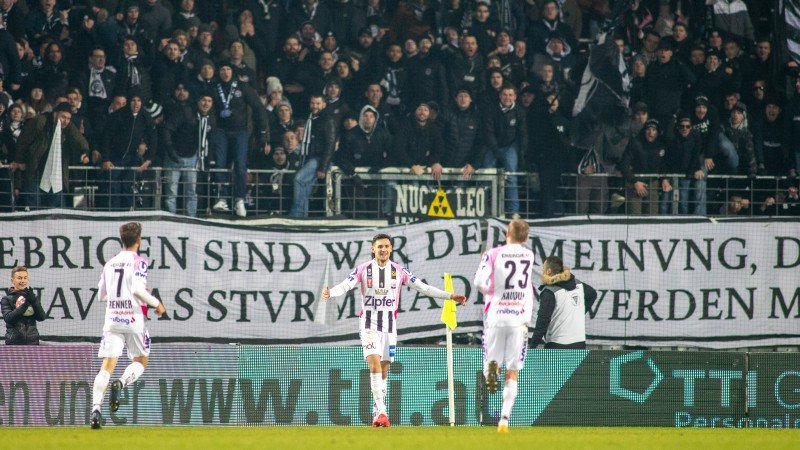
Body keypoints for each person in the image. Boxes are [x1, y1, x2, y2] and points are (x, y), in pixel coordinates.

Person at [322, 233, 466, 427]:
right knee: (373, 364)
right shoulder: (363, 269)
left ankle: (377, 412)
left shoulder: (399, 271)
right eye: (379, 246)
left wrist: (450, 296)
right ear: (373, 249)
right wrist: (331, 292)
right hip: (369, 324)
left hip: (390, 326)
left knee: (384, 368)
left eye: (387, 246)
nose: (383, 250)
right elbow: (346, 285)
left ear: (391, 249)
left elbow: (423, 288)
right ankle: (382, 411)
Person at [90, 222, 166, 429]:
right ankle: (121, 383)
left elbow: (101, 296)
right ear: (139, 240)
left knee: (107, 365)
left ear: (121, 239)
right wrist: (156, 303)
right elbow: (137, 290)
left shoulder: (110, 263)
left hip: (112, 319)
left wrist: (118, 296)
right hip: (133, 319)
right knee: (141, 360)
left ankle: (96, 410)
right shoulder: (139, 262)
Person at [472, 219, 535, 433]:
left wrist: (494, 291)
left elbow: (479, 282)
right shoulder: (529, 255)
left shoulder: (493, 254)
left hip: (496, 314)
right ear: (525, 238)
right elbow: (527, 288)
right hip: (519, 318)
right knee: (513, 370)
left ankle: (491, 368)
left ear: (507, 232)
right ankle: (504, 420)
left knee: (492, 358)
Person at [530, 255, 597, 349]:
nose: (542, 271)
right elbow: (593, 294)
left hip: (557, 345)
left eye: (543, 268)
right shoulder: (578, 284)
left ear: (549, 271)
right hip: (579, 344)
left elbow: (542, 321)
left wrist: (532, 346)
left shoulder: (549, 291)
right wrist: (580, 312)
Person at [1, 266, 47, 345]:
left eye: (25, 278)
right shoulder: (6, 299)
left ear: (28, 279)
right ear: (13, 280)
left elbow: (41, 317)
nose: (23, 281)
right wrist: (25, 305)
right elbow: (9, 318)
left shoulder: (32, 297)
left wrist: (34, 302)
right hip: (13, 343)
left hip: (33, 342)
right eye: (19, 278)